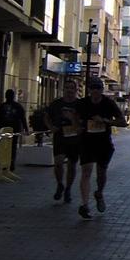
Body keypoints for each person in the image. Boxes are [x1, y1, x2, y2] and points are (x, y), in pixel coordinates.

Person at [75, 77, 124, 220]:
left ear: (102, 90)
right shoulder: (83, 103)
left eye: (98, 89)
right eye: (92, 88)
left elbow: (122, 122)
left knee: (101, 173)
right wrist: (77, 126)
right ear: (89, 90)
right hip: (87, 142)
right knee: (86, 171)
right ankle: (84, 205)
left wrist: (105, 121)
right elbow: (75, 116)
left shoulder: (109, 104)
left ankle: (99, 193)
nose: (95, 91)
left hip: (103, 143)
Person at [45, 76, 85, 204]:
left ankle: (68, 189)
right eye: (67, 88)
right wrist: (51, 128)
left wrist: (75, 121)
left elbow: (83, 122)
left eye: (72, 88)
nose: (69, 90)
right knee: (58, 162)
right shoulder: (57, 104)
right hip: (60, 136)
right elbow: (46, 116)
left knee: (72, 165)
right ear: (63, 89)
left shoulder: (79, 105)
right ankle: (59, 184)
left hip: (74, 138)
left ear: (75, 90)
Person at [0, 88, 28, 166]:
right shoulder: (17, 106)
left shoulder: (2, 106)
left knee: (5, 147)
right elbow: (23, 118)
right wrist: (25, 128)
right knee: (11, 147)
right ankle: (10, 162)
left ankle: (5, 163)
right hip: (13, 129)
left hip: (6, 130)